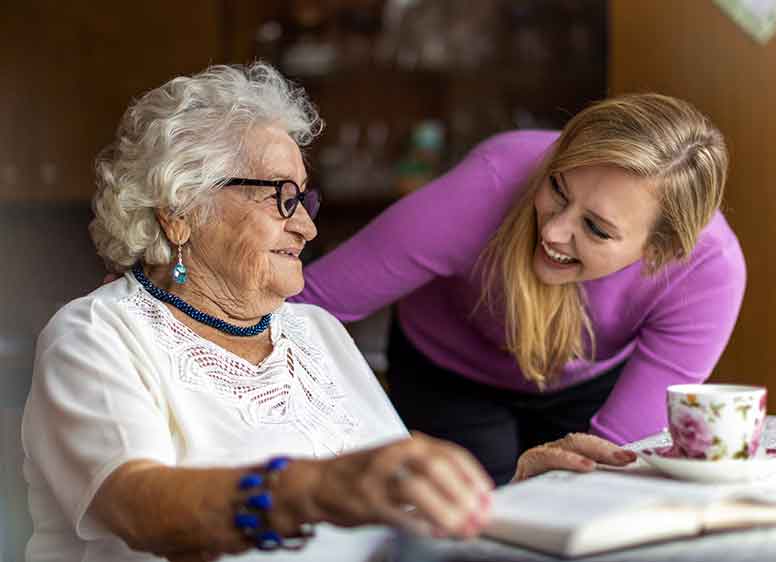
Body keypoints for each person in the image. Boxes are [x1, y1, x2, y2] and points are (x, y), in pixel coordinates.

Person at [21, 63, 635, 562]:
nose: (308, 226)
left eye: (305, 199)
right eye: (281, 198)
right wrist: (311, 488)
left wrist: (507, 500)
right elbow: (138, 507)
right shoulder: (97, 336)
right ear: (180, 210)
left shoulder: (313, 331)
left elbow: (395, 509)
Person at [294, 93, 746, 485]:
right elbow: (303, 303)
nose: (554, 231)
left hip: (588, 382)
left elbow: (616, 461)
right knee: (464, 525)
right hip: (450, 371)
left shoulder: (709, 272)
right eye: (558, 188)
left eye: (595, 228)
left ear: (661, 251)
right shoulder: (490, 183)